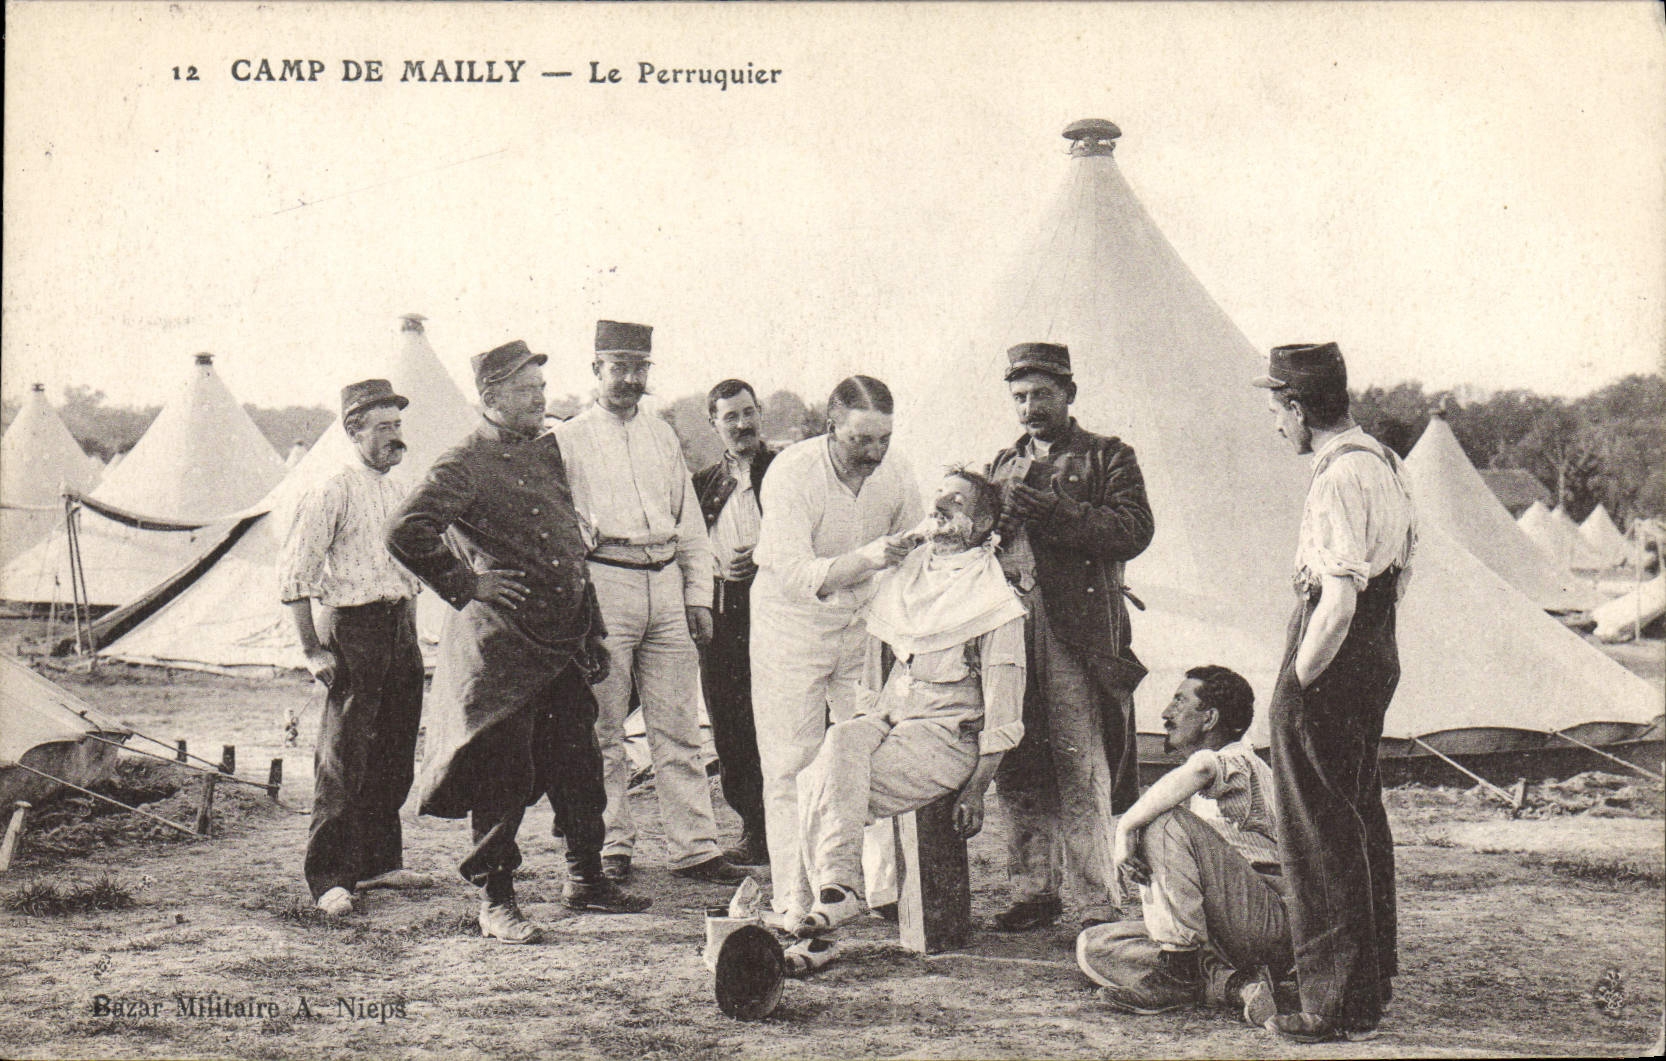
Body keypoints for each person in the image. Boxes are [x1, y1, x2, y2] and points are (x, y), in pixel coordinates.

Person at [387, 339, 650, 945]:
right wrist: (467, 583)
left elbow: (566, 547)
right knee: (501, 775)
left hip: (561, 641)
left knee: (579, 765)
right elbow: (405, 529)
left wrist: (592, 632)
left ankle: (586, 879)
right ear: (492, 397)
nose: (541, 399)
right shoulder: (465, 461)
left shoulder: (549, 450)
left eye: (541, 389)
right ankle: (496, 899)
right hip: (502, 651)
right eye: (529, 390)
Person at [1252, 341, 1416, 1043]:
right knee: (1355, 813)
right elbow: (1399, 575)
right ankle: (1368, 981)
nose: (1275, 425)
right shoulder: (1385, 462)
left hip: (1334, 654)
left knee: (1315, 828)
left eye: (1276, 409)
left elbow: (1339, 598)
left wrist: (1297, 682)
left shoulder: (1336, 478)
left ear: (1297, 406)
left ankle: (1332, 1001)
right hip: (1378, 648)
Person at [554, 321, 746, 885]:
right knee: (604, 725)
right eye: (620, 368)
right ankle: (611, 843)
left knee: (679, 724)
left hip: (664, 579)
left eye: (640, 369)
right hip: (605, 578)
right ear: (596, 370)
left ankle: (696, 847)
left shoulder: (662, 434)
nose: (631, 380)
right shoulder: (568, 438)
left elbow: (688, 521)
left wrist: (698, 597)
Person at [795, 468, 1026, 937]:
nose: (939, 507)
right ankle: (837, 894)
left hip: (946, 734)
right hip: (891, 716)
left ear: (982, 525)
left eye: (956, 503)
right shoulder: (908, 573)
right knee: (837, 743)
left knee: (820, 786)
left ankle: (818, 910)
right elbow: (851, 618)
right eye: (937, 497)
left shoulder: (995, 600)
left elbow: (1005, 712)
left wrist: (978, 789)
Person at [987, 341, 1155, 931]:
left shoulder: (1108, 456)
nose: (1031, 407)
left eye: (1042, 394)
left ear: (1069, 394)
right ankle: (1032, 888)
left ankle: (1092, 897)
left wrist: (1056, 510)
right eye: (1020, 397)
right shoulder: (1002, 462)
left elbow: (1134, 530)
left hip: (1075, 632)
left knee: (1078, 756)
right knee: (1015, 753)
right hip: (1010, 627)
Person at [751, 375, 923, 926]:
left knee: (866, 749)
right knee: (791, 764)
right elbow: (800, 574)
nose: (874, 453)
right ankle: (793, 900)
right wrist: (871, 558)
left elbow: (916, 554)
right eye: (860, 441)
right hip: (791, 627)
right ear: (831, 427)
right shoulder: (792, 472)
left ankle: (877, 891)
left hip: (863, 626)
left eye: (884, 440)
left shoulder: (895, 472)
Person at [278, 378, 430, 917]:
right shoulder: (330, 490)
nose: (395, 437)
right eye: (383, 427)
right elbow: (295, 576)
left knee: (394, 751)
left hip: (399, 630)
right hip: (352, 630)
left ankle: (378, 863)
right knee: (344, 757)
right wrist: (313, 651)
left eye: (398, 425)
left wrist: (409, 631)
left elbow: (406, 570)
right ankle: (329, 878)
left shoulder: (396, 489)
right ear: (353, 431)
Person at [1081, 666, 1292, 1027]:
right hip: (1227, 926)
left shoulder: (1238, 761)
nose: (1165, 714)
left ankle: (1180, 970)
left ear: (1209, 718)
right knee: (1094, 945)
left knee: (1163, 820)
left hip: (1266, 917)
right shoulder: (1212, 780)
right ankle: (1235, 985)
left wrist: (1126, 827)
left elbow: (1203, 768)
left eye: (1179, 701)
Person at [691, 379, 775, 866]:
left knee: (781, 712)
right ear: (714, 424)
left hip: (777, 602)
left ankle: (794, 821)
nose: (742, 425)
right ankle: (754, 827)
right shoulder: (703, 481)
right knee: (730, 719)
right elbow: (689, 542)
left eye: (748, 413)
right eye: (730, 417)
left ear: (760, 412)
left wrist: (764, 557)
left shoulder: (784, 469)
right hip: (724, 609)